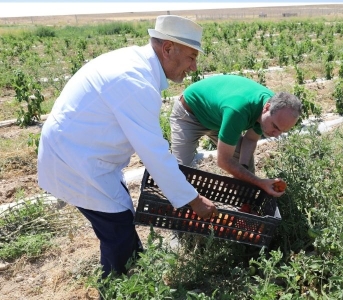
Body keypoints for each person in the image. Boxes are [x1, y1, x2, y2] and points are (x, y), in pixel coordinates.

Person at [37, 15, 218, 279]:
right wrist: (194, 200)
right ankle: (115, 286)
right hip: (76, 161)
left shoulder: (133, 64)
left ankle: (130, 273)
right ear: (168, 49)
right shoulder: (134, 80)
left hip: (85, 156)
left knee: (120, 221)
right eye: (191, 56)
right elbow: (153, 152)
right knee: (118, 231)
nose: (193, 66)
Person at [169, 74, 302, 197]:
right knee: (182, 171)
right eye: (275, 127)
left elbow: (250, 139)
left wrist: (243, 169)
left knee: (246, 167)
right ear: (266, 108)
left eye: (282, 131)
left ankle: (245, 204)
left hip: (219, 118)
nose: (276, 134)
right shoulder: (239, 110)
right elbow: (223, 161)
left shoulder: (272, 112)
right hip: (190, 114)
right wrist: (260, 182)